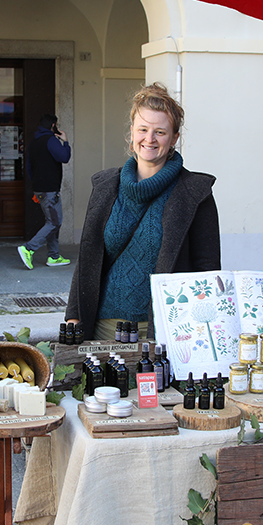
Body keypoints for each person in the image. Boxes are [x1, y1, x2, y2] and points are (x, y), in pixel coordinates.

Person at [66, 83, 220, 340]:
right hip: (103, 327)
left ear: (174, 139)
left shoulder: (195, 193)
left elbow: (208, 269)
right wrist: (74, 315)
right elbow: (88, 258)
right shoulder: (105, 187)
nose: (149, 139)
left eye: (160, 132)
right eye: (143, 129)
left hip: (167, 330)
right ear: (132, 132)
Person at [18, 114, 71, 269]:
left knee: (53, 221)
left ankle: (54, 256)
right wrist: (65, 141)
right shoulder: (51, 141)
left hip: (40, 189)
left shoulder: (34, 143)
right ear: (53, 125)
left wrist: (36, 185)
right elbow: (64, 157)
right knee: (54, 222)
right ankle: (28, 248)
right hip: (50, 189)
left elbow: (28, 167)